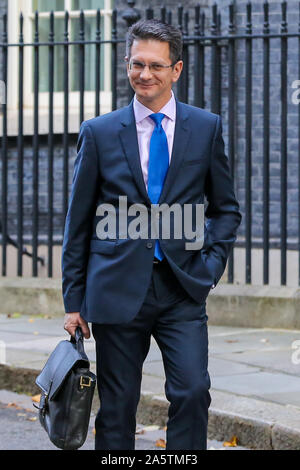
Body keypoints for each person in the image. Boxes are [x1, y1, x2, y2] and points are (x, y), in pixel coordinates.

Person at [62, 19, 242, 450]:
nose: (145, 75)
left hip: (182, 286)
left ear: (176, 70)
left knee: (193, 391)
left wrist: (211, 266)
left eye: (156, 66)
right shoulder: (100, 132)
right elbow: (79, 221)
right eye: (137, 64)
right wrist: (73, 301)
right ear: (127, 64)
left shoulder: (205, 127)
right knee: (119, 404)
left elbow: (226, 210)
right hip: (116, 288)